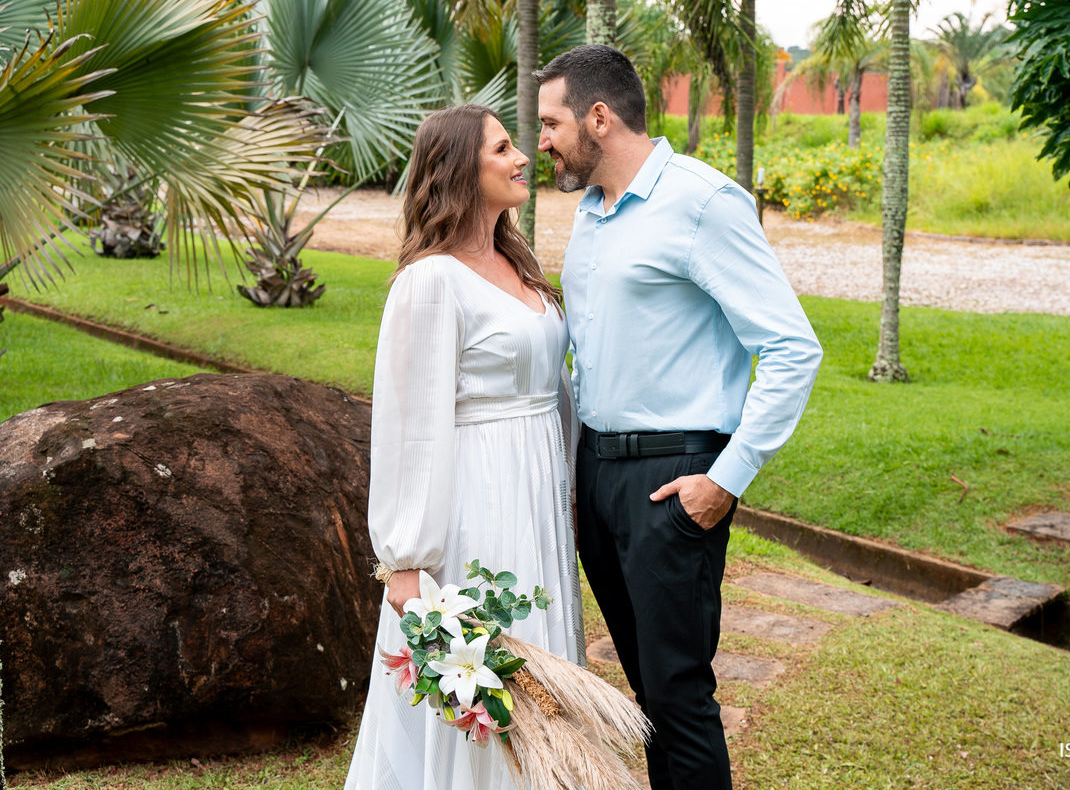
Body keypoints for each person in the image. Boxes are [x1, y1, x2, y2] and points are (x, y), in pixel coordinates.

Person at [535, 45, 823, 790]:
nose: (542, 140)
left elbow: (791, 348)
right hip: (598, 474)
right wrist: (576, 473)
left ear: (599, 117)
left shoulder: (702, 201)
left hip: (674, 478)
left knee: (678, 695)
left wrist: (725, 479)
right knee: (645, 694)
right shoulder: (593, 213)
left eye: (551, 122)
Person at [344, 104, 586, 790]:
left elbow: (555, 391)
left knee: (539, 660)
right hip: (477, 504)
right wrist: (407, 561)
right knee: (483, 676)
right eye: (503, 147)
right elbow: (410, 423)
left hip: (538, 497)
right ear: (459, 169)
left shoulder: (520, 260)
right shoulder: (431, 281)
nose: (522, 157)